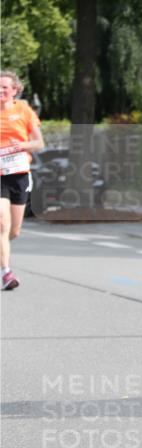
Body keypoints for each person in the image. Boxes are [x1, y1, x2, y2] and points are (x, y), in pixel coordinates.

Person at [1, 71, 44, 291]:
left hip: (18, 173)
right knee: (2, 223)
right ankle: (6, 273)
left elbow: (39, 143)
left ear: (15, 90)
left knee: (13, 231)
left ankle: (2, 256)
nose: (0, 91)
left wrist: (20, 146)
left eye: (4, 88)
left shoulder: (24, 111)